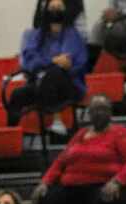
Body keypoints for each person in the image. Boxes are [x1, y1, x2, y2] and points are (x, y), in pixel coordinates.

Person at [32, 95, 126, 204]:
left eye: (103, 109)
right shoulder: (80, 134)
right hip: (74, 187)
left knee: (108, 200)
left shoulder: (119, 132)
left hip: (105, 183)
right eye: (94, 110)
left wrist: (117, 181)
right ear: (89, 113)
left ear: (110, 112)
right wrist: (45, 182)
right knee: (43, 200)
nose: (99, 113)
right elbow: (61, 161)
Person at [7, 0, 88, 128]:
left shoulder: (72, 34)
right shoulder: (35, 35)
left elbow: (68, 63)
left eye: (59, 8)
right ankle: (12, 135)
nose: (55, 11)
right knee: (17, 94)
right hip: (40, 84)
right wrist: (52, 61)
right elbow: (29, 61)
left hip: (68, 85)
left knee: (54, 74)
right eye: (52, 8)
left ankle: (56, 121)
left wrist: (46, 63)